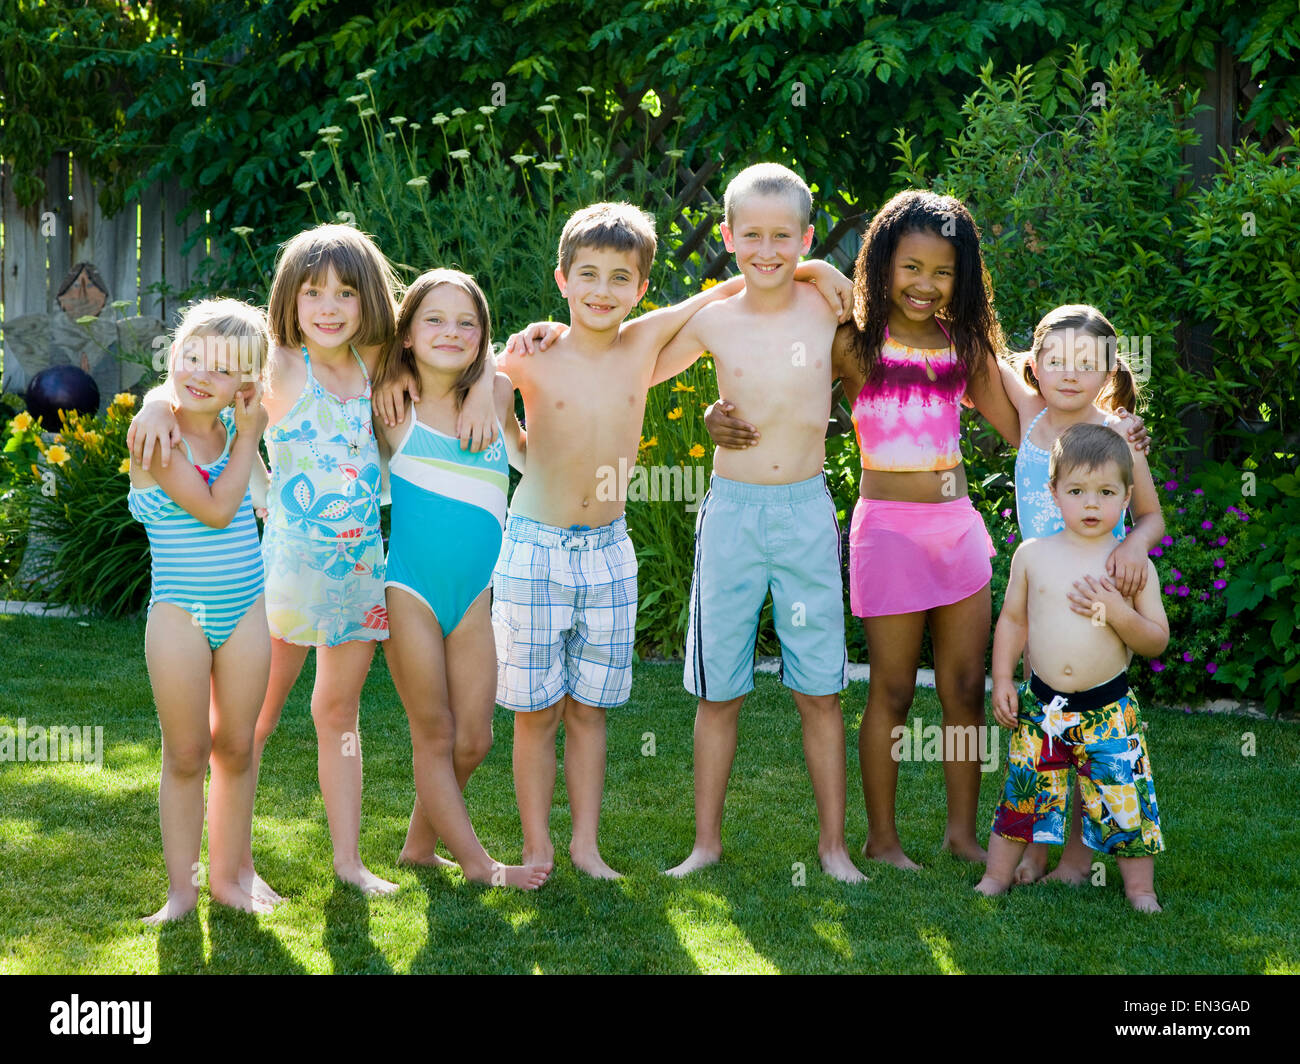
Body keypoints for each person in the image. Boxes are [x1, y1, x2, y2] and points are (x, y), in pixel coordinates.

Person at [128, 224, 499, 896]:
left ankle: (349, 863)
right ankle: (226, 866)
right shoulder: (276, 364)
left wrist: (485, 385)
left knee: (339, 715)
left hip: (358, 572)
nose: (329, 307)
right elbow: (196, 381)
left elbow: (466, 347)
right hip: (285, 574)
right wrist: (156, 402)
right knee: (247, 728)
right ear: (289, 300)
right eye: (313, 292)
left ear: (369, 303)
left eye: (346, 294)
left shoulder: (377, 363)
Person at [495, 200, 852, 879]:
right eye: (588, 276)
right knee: (536, 711)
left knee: (591, 708)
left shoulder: (644, 341)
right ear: (562, 279)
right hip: (536, 545)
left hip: (608, 548)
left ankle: (585, 847)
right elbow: (468, 378)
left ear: (641, 287)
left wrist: (812, 267)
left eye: (619, 278)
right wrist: (511, 420)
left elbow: (727, 287)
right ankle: (538, 847)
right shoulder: (529, 356)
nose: (603, 291)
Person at [651, 163, 866, 883]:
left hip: (804, 512)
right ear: (727, 236)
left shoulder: (828, 306)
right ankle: (705, 844)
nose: (767, 250)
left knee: (821, 691)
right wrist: (709, 413)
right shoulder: (714, 317)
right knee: (720, 691)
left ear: (806, 237)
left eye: (784, 237)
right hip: (734, 516)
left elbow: (894, 305)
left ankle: (833, 849)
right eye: (752, 235)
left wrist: (819, 271)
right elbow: (641, 368)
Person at [374, 269, 546, 889]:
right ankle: (480, 865)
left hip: (476, 598)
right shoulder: (392, 402)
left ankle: (419, 848)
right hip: (410, 591)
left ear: (483, 336)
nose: (451, 332)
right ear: (407, 336)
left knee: (474, 739)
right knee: (436, 731)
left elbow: (523, 448)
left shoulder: (496, 396)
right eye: (434, 321)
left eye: (466, 323)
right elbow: (338, 349)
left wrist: (488, 383)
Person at [997, 303, 1164, 884]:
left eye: (1087, 363)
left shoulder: (1116, 433)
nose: (1070, 373)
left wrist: (1133, 549)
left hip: (1095, 597)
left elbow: (1150, 517)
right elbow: (974, 338)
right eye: (1057, 360)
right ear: (1034, 365)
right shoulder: (1027, 411)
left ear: (1109, 368)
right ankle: (1035, 850)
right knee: (1043, 731)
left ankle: (1076, 856)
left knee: (1091, 733)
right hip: (1037, 589)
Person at [975, 423, 1168, 912]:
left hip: (1108, 710)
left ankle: (1140, 889)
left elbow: (1156, 641)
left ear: (1127, 497)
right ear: (1053, 493)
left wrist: (1119, 612)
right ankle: (996, 876)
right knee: (1023, 793)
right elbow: (1013, 621)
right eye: (1077, 491)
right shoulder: (1033, 556)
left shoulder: (1130, 564)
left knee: (1124, 798)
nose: (1090, 504)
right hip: (1042, 706)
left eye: (1105, 492)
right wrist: (1002, 678)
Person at [128, 299, 272, 922]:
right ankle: (181, 892)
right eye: (191, 358)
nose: (199, 375)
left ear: (247, 383)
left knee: (236, 748)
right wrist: (248, 435)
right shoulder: (157, 435)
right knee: (187, 753)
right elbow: (216, 507)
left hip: (246, 606)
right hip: (180, 615)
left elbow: (263, 497)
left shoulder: (234, 435)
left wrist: (248, 435)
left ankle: (229, 880)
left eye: (221, 368)